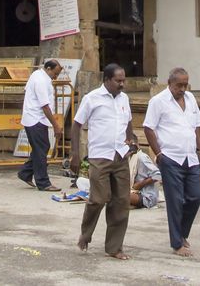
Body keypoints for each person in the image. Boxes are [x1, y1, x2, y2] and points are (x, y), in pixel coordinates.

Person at [70, 63, 137, 261]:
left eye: (124, 80)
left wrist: (131, 139)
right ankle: (86, 233)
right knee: (98, 199)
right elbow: (76, 125)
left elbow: (128, 122)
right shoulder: (92, 98)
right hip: (100, 156)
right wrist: (74, 153)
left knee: (121, 202)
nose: (122, 84)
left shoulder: (124, 98)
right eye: (118, 81)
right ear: (106, 80)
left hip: (120, 155)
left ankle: (114, 247)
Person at [143, 66, 200, 256]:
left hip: (190, 156)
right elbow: (148, 128)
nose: (182, 89)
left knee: (196, 196)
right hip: (170, 157)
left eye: (185, 85)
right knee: (175, 200)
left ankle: (182, 233)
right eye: (179, 85)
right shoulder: (158, 101)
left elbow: (196, 126)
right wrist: (158, 153)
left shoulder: (190, 98)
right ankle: (177, 243)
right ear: (170, 83)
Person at [18, 58, 63, 192]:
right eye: (55, 74)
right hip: (35, 118)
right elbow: (45, 105)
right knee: (41, 150)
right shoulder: (41, 80)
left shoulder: (37, 75)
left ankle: (25, 172)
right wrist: (56, 125)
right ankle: (43, 182)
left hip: (35, 118)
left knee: (42, 148)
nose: (55, 77)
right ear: (48, 69)